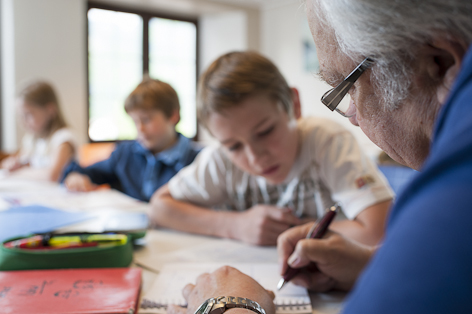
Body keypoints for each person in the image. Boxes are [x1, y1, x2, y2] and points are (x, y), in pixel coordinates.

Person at [168, 1, 472, 314]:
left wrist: (231, 306)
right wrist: (370, 264)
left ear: (439, 62)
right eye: (233, 146)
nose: (351, 116)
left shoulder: (459, 189)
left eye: (348, 87)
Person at [149, 51, 393, 246]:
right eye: (234, 146)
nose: (255, 158)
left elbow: (378, 231)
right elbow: (160, 206)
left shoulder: (326, 142)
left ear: (294, 104)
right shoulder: (220, 160)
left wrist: (291, 230)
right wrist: (234, 226)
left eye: (265, 132)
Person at [61, 78, 201, 202]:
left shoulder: (197, 161)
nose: (140, 129)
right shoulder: (126, 154)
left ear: (173, 116)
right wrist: (75, 176)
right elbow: (88, 171)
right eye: (135, 121)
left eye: (146, 120)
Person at [0, 81, 77, 182]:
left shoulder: (63, 139)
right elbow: (13, 163)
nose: (23, 122)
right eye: (21, 116)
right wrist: (13, 165)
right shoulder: (33, 140)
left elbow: (53, 176)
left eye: (28, 115)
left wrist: (20, 171)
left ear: (50, 110)